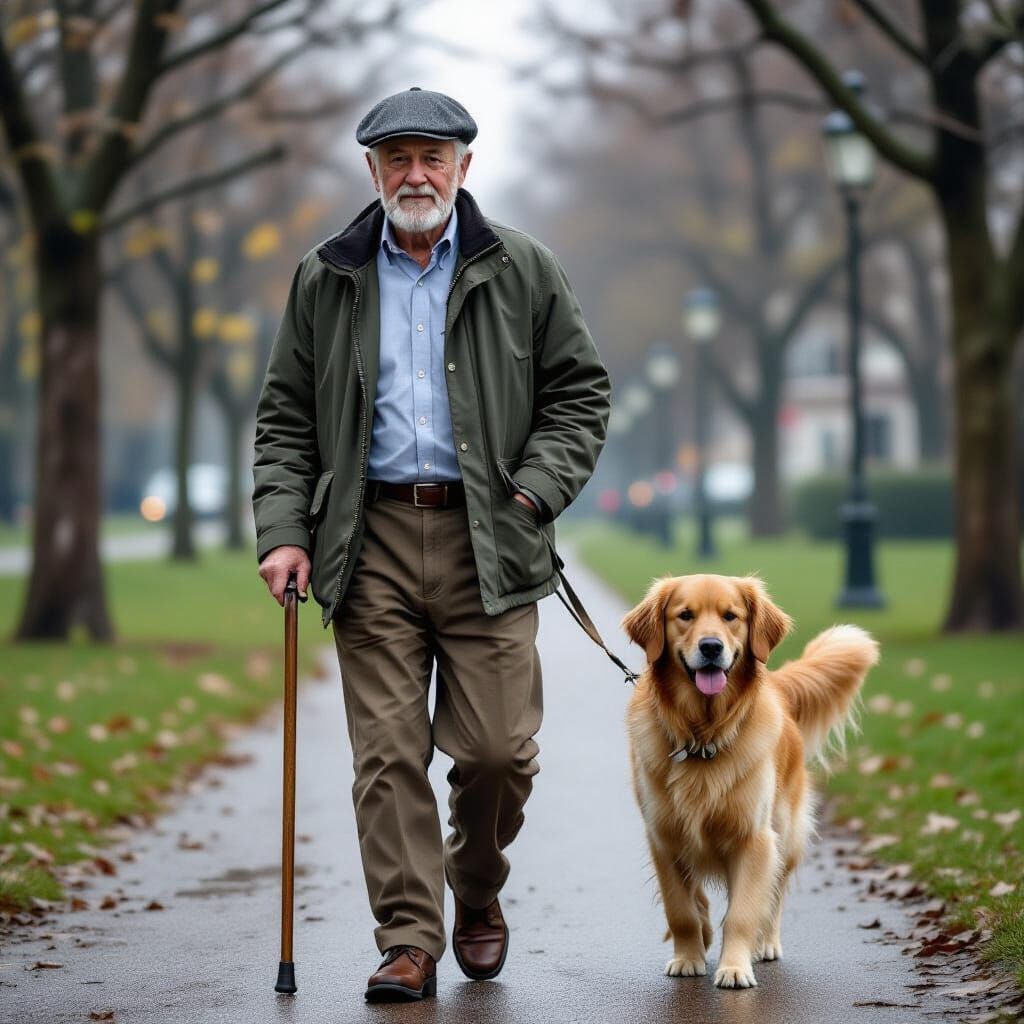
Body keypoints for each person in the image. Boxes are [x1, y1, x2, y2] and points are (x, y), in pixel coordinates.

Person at [253, 86, 611, 1003]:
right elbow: (285, 417)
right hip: (365, 539)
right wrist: (285, 533)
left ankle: (476, 886)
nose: (416, 175)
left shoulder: (522, 268)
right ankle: (409, 939)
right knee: (387, 755)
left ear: (464, 167)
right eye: (398, 159)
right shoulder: (326, 276)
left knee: (497, 753)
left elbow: (580, 394)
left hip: (492, 537)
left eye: (433, 158)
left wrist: (533, 491)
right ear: (372, 170)